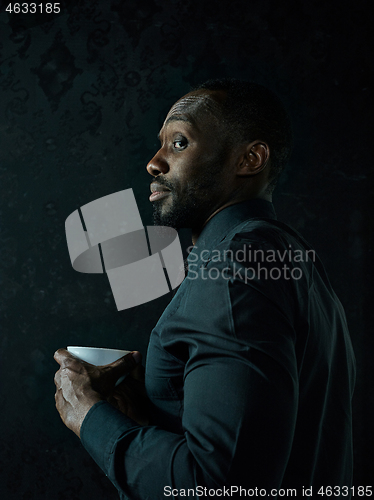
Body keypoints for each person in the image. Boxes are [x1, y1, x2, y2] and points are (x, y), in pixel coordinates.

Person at [54, 79, 356, 499]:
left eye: (179, 143)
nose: (154, 163)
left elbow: (219, 486)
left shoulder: (234, 268)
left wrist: (91, 418)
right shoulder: (291, 259)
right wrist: (158, 406)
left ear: (250, 159)